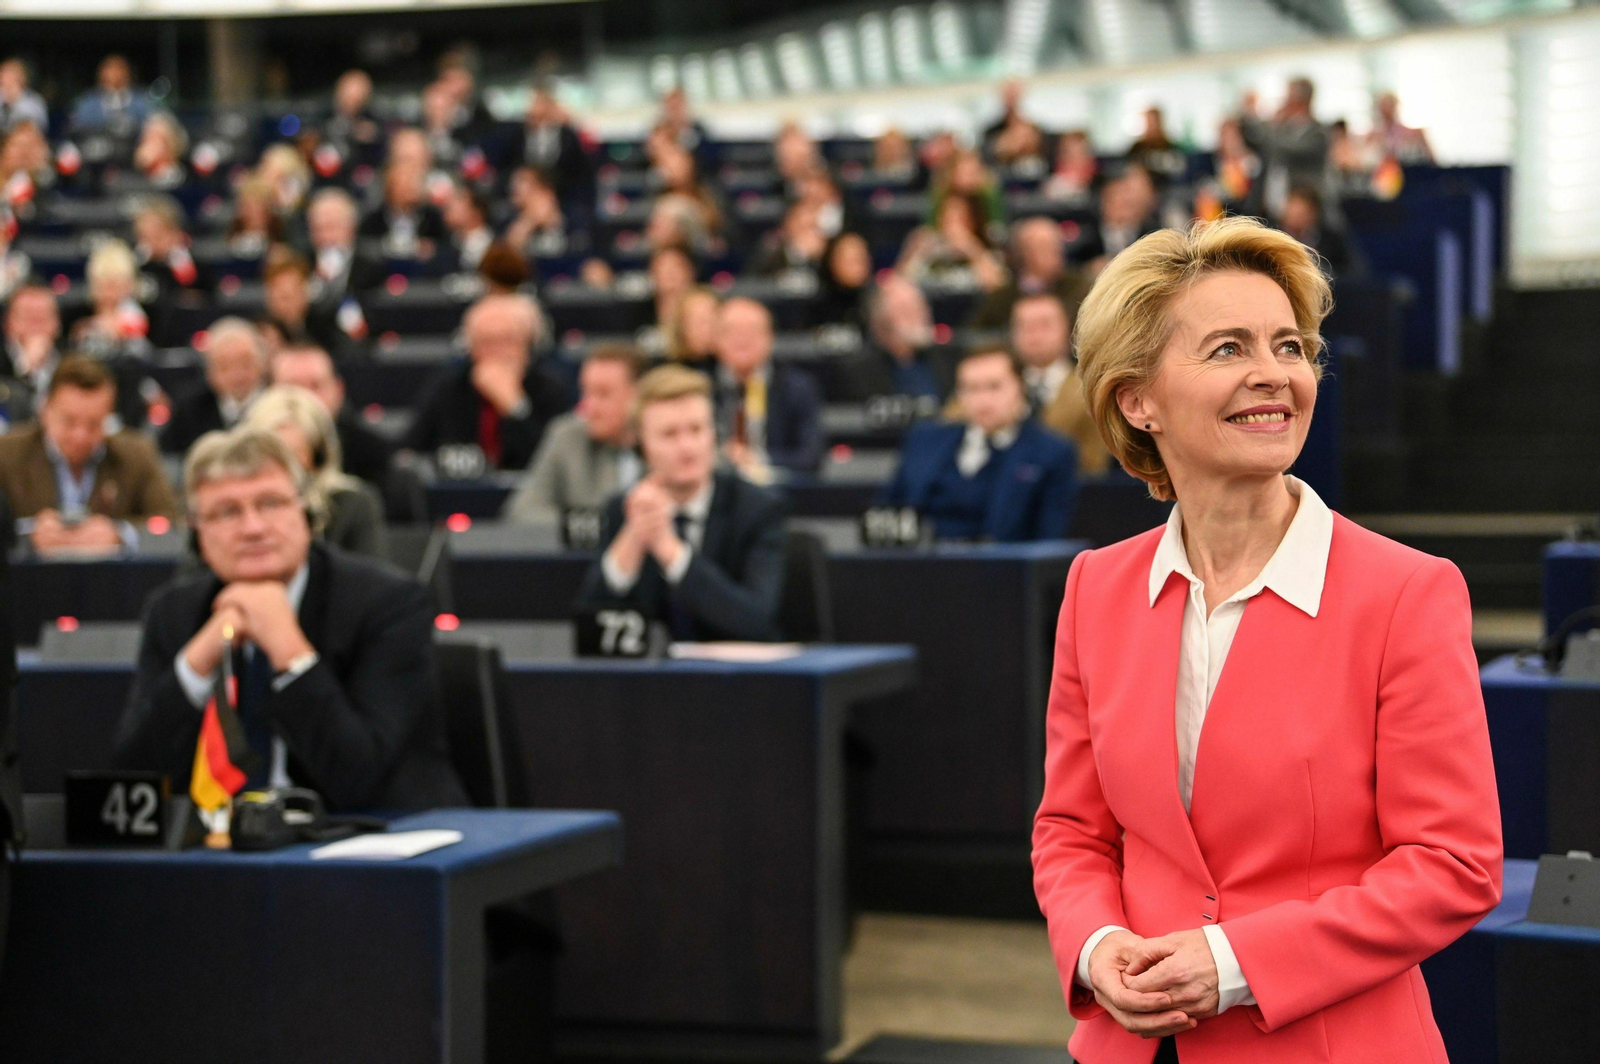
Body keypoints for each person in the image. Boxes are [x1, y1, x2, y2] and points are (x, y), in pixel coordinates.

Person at [1032, 217, 1501, 1063]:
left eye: (1291, 346)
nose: (1275, 376)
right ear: (1138, 399)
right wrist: (1097, 948)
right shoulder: (1095, 588)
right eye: (1227, 349)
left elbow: (1452, 864)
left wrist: (1233, 961)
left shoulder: (1409, 593)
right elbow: (1072, 831)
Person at [113, 428, 467, 811]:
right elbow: (135, 781)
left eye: (270, 504)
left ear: (307, 513)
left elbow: (361, 777)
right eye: (227, 512)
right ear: (198, 533)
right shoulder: (174, 612)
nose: (253, 528)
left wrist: (287, 647)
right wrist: (200, 657)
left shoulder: (387, 604)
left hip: (372, 841)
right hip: (224, 848)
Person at [574, 364, 787, 642]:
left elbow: (754, 618)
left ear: (714, 435)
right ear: (643, 447)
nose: (687, 447)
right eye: (669, 434)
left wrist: (669, 549)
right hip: (651, 681)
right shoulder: (623, 509)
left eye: (697, 430)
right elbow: (590, 629)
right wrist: (634, 537)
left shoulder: (758, 509)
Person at [880, 346, 1078, 542]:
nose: (983, 400)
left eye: (994, 386)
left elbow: (1049, 543)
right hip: (920, 565)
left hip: (1001, 569)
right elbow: (886, 518)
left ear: (1021, 388)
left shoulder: (1051, 452)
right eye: (971, 388)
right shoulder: (924, 441)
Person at [0, 356, 176, 554]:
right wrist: (27, 533)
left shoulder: (135, 454)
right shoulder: (7, 454)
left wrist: (121, 534)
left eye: (94, 424)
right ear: (45, 411)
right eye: (69, 421)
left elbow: (171, 524)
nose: (80, 436)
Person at [403, 293, 568, 472]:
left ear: (527, 345)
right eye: (486, 342)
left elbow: (555, 464)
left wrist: (516, 408)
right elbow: (410, 450)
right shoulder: (448, 389)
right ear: (471, 349)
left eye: (507, 340)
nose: (497, 352)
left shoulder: (550, 389)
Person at [505, 344, 643, 526]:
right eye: (586, 392)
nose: (588, 407)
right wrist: (588, 526)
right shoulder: (568, 436)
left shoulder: (666, 438)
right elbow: (522, 511)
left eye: (603, 394)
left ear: (639, 394)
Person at [243, 386, 386, 560]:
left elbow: (369, 578)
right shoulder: (236, 509)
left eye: (294, 455)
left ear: (318, 457)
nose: (285, 467)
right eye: (275, 456)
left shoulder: (354, 504)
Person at [712, 297, 824, 478]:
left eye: (752, 330)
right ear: (715, 339)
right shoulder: (700, 388)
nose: (741, 338)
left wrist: (756, 460)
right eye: (731, 330)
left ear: (770, 338)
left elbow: (811, 457)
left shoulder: (798, 387)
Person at [1010, 293, 1110, 476]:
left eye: (1045, 325)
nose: (1034, 333)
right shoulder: (990, 384)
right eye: (1024, 326)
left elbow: (1096, 463)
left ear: (1067, 329)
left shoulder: (1092, 390)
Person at [269, 343, 393, 488]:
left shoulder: (372, 455)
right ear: (269, 393)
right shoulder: (245, 448)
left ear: (338, 390)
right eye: (293, 387)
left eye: (316, 385)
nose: (305, 397)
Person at [161, 318, 268, 455]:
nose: (236, 374)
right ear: (209, 372)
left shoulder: (278, 404)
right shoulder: (189, 410)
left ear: (262, 363)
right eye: (224, 367)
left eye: (245, 363)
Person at [972, 216, 1094, 329]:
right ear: (1023, 253)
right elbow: (979, 335)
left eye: (1057, 245)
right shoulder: (1002, 298)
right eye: (1044, 246)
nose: (1055, 252)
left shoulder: (1080, 289)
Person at [1240, 79, 1331, 222]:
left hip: (1303, 208)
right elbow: (1256, 142)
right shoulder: (1283, 129)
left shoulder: (1318, 133)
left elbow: (1284, 149)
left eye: (1287, 96)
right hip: (1272, 208)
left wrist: (1272, 124)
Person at [847, 274, 945, 403]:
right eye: (907, 309)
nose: (921, 316)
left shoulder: (946, 360)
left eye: (921, 307)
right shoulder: (858, 372)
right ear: (881, 319)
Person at [261, 245, 366, 363]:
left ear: (305, 293)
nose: (286, 305)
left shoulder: (324, 327)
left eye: (292, 295)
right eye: (281, 297)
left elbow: (350, 355)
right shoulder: (259, 332)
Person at [133, 195, 211, 348]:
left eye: (157, 235)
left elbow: (207, 296)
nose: (151, 242)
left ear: (174, 232)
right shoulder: (135, 267)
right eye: (145, 236)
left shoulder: (193, 263)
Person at [510, 86, 593, 206]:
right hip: (526, 198)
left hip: (563, 197)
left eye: (540, 103)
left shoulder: (567, 135)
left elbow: (580, 172)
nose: (534, 107)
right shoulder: (517, 135)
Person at [1279, 184, 1360, 280]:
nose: (1294, 220)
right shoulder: (1273, 237)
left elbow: (1350, 272)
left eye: (1300, 214)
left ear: (1313, 214)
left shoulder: (1332, 241)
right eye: (1291, 214)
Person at [68, 54, 150, 144]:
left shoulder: (141, 100)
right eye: (110, 68)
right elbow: (77, 126)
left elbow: (152, 124)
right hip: (96, 148)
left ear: (128, 72)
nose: (115, 73)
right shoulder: (88, 101)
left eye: (119, 68)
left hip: (134, 146)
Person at [0, 59, 48, 134]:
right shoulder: (1, 97)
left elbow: (31, 129)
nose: (2, 77)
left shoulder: (33, 101)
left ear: (21, 77)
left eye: (6, 73)